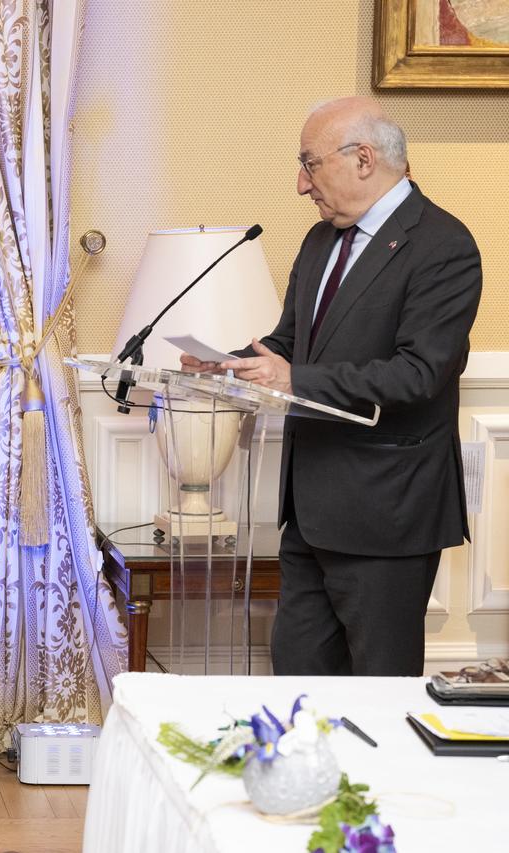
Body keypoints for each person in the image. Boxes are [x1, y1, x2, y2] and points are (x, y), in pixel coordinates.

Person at [181, 97, 482, 676]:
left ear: (363, 159)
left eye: (309, 164)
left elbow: (419, 373)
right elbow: (291, 344)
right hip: (309, 509)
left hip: (385, 514)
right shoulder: (321, 240)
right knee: (297, 679)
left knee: (377, 688)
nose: (301, 185)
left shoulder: (443, 245)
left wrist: (295, 377)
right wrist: (229, 364)